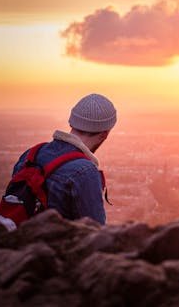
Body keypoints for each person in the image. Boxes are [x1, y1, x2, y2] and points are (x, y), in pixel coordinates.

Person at [9, 93, 117, 225]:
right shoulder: (85, 172)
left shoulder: (30, 155)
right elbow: (96, 231)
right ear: (105, 134)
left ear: (71, 122)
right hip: (54, 244)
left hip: (20, 240)